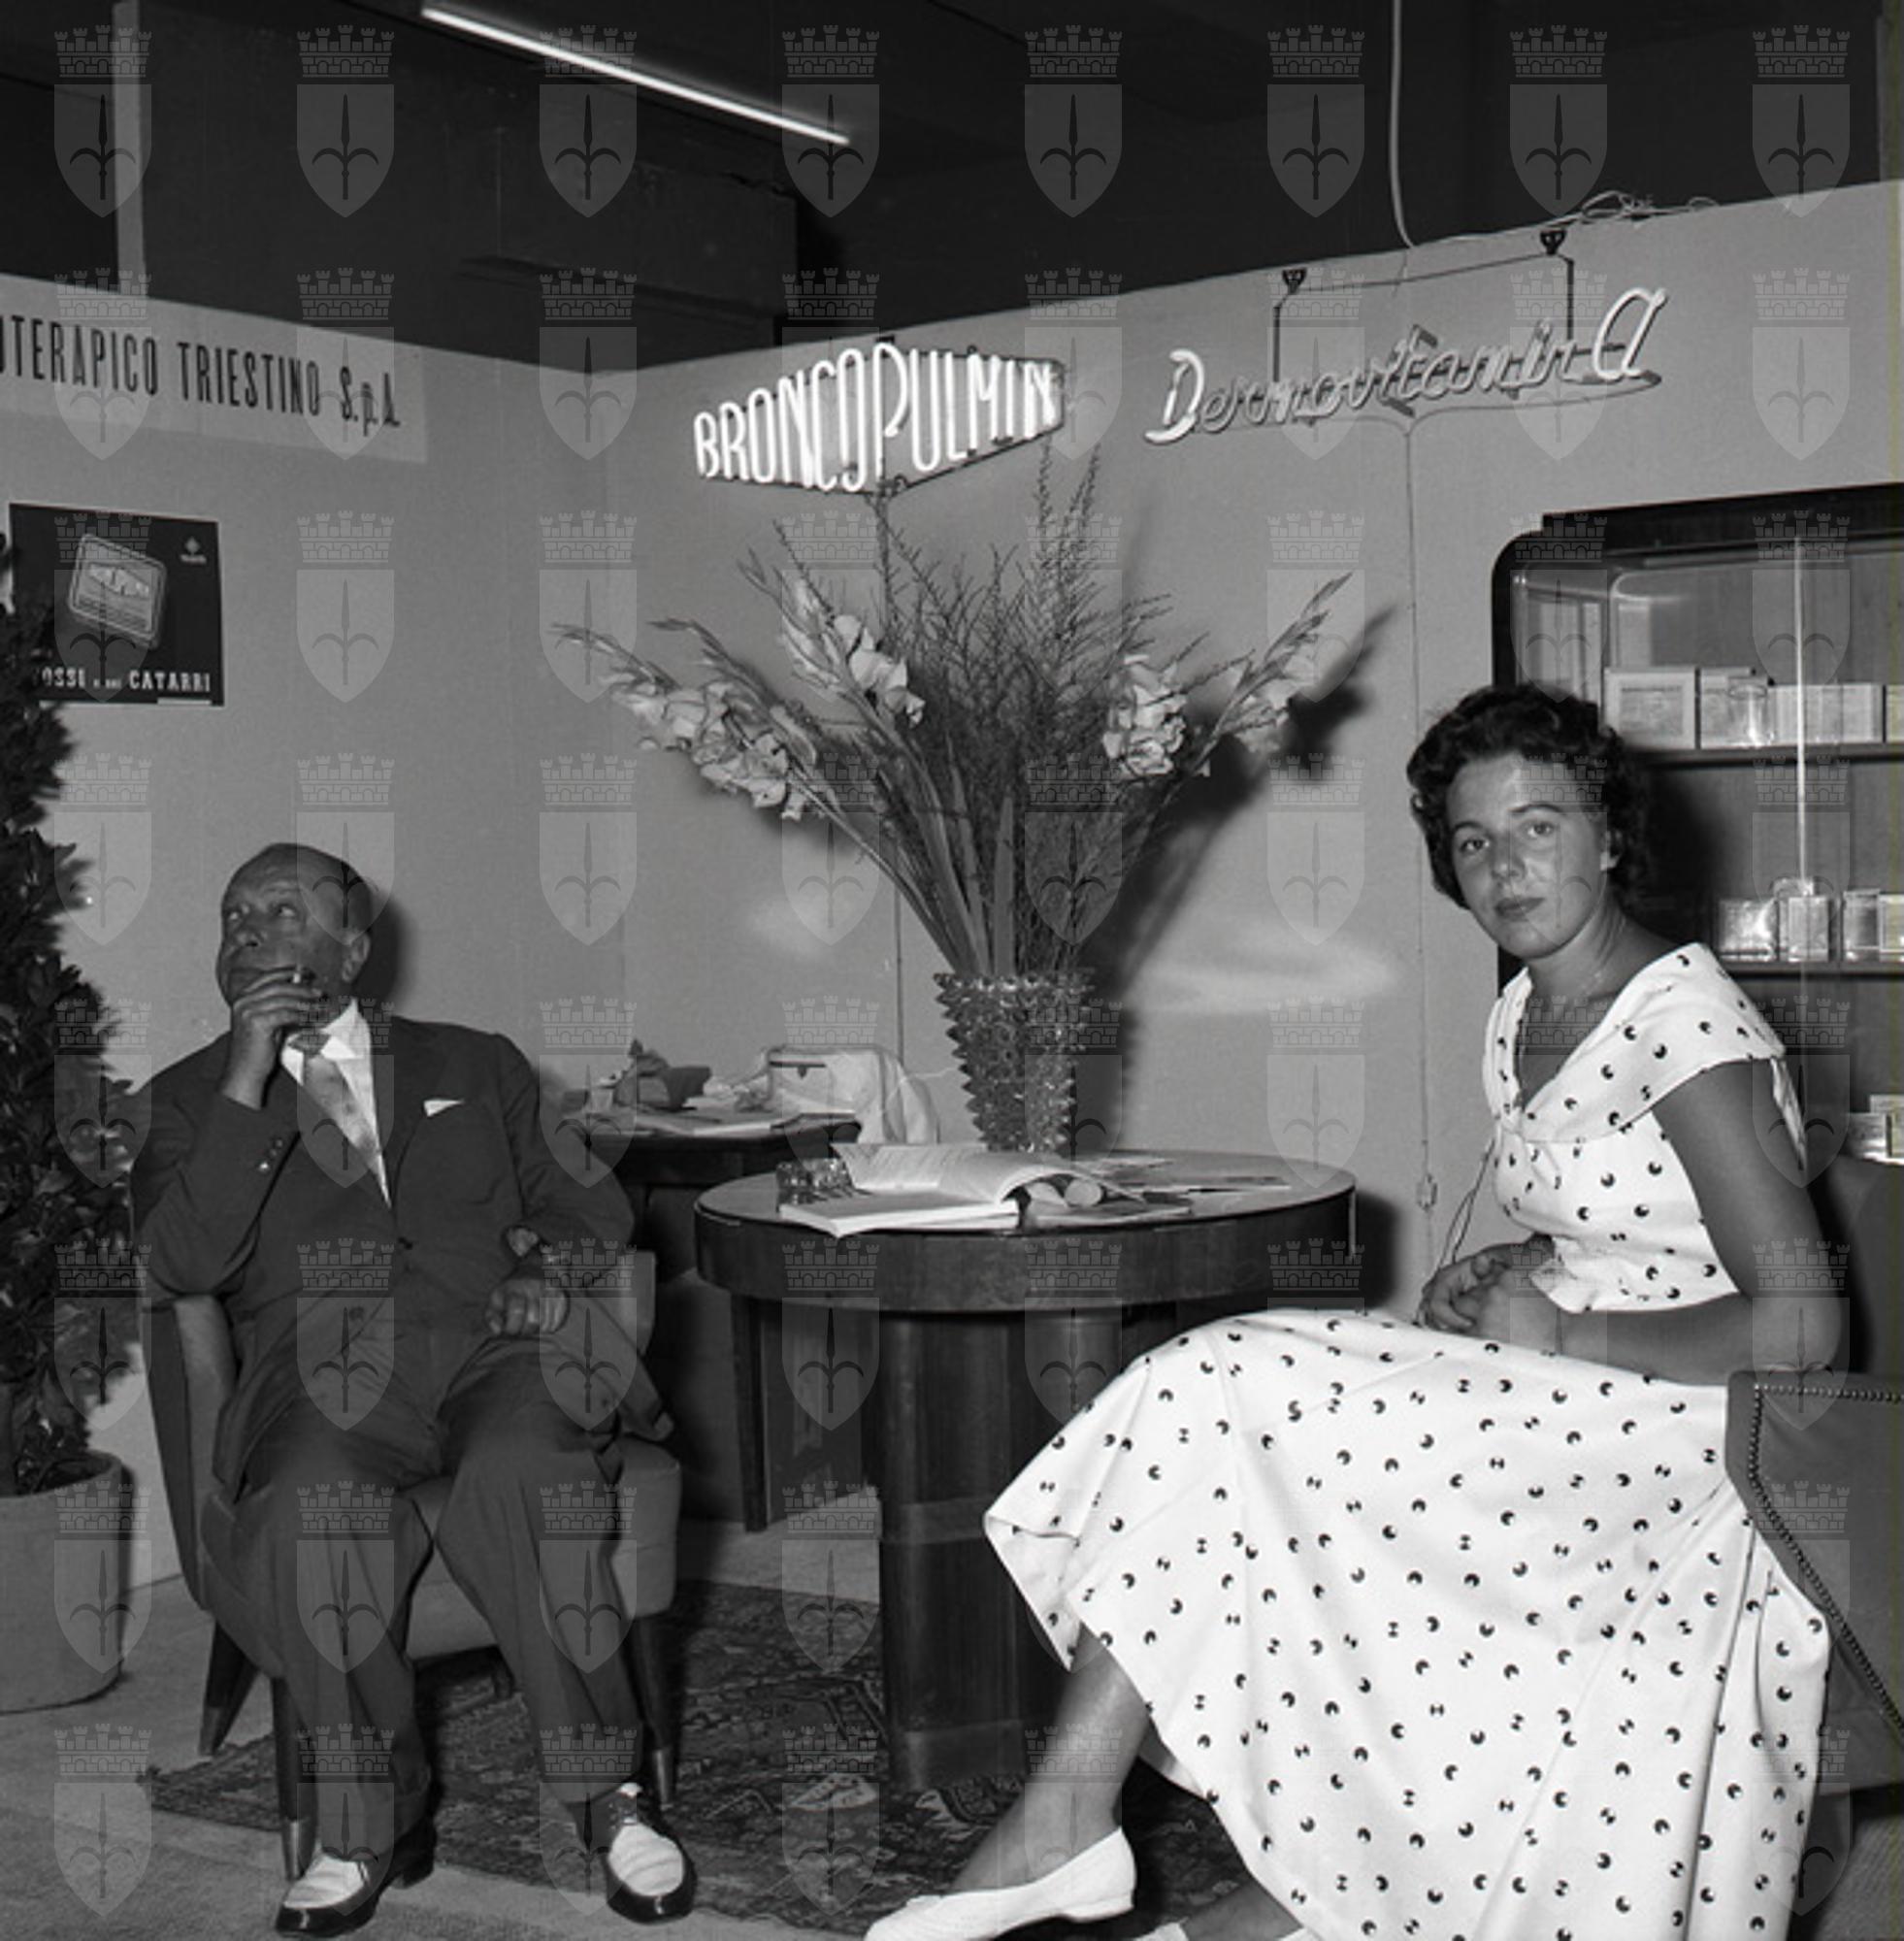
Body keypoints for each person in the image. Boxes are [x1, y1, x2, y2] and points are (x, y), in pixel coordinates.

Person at [868, 685, 1838, 1941]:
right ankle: (1085, 1829)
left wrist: (1565, 1332)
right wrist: (1508, 1269)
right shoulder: (1531, 1005)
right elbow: (1633, 1216)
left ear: (1608, 836)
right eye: (1474, 841)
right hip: (1571, 1396)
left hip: (1695, 1446)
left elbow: (1803, 1328)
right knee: (1217, 1401)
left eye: (1538, 827)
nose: (1504, 867)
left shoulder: (1688, 1030)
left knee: (1233, 1391)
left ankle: (1068, 1828)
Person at [132, 844, 694, 1936]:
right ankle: (362, 1824)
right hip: (322, 1374)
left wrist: (547, 1271)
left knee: (528, 1468)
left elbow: (591, 1202)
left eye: (282, 909)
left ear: (352, 947)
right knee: (312, 1507)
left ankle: (612, 1798)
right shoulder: (184, 1101)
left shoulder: (474, 1060)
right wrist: (246, 1080)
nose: (248, 928)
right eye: (233, 913)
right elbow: (179, 1265)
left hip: (495, 1344)